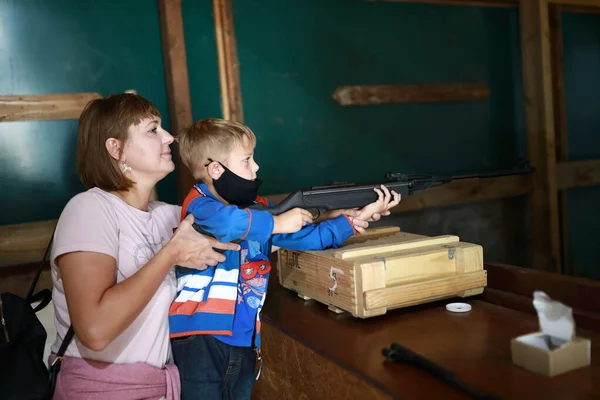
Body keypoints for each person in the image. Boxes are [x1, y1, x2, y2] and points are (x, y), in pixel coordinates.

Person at [168, 118, 401, 400]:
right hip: (200, 336)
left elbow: (307, 237)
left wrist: (352, 221)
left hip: (244, 338)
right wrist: (278, 223)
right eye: (247, 160)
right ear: (216, 169)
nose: (256, 167)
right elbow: (229, 225)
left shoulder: (258, 213)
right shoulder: (200, 204)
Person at [47, 93, 241, 399]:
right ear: (116, 148)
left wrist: (320, 216)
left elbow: (241, 230)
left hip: (162, 388)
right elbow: (95, 332)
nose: (169, 137)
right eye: (153, 130)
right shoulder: (89, 209)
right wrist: (171, 254)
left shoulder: (168, 215)